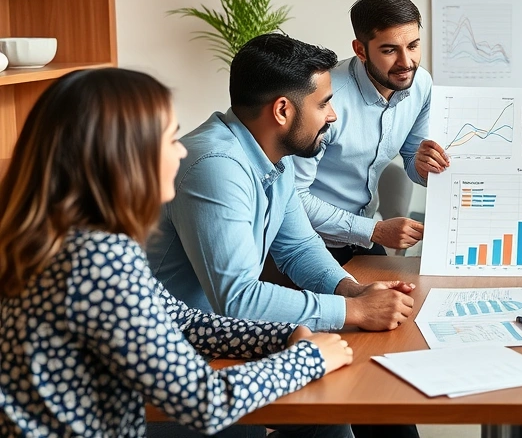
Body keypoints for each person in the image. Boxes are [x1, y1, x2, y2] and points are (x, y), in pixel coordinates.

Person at [0, 68, 354, 437]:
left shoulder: (67, 241)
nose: (182, 150)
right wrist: (309, 359)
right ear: (124, 157)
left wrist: (282, 336)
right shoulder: (98, 259)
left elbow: (182, 322)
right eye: (170, 138)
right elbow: (205, 402)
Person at [148, 33, 415, 333]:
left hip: (221, 335)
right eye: (323, 104)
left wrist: (353, 291)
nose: (332, 116)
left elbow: (299, 247)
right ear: (282, 111)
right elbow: (238, 299)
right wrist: (354, 310)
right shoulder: (214, 166)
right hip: (174, 343)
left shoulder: (275, 154)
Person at [294, 0, 449, 266]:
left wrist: (424, 166)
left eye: (413, 46)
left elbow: (412, 158)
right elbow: (293, 198)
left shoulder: (422, 84)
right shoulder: (324, 98)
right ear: (360, 50)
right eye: (389, 50)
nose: (406, 63)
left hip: (362, 236)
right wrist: (374, 230)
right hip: (308, 241)